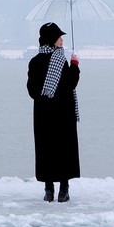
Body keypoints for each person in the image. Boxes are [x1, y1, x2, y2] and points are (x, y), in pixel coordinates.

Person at [27, 21, 80, 202]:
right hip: (62, 113)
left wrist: (44, 97)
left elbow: (32, 90)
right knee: (64, 149)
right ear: (51, 39)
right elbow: (70, 84)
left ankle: (49, 190)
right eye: (59, 37)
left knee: (46, 149)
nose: (62, 40)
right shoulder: (60, 60)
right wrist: (75, 65)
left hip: (43, 114)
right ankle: (63, 190)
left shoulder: (34, 62)